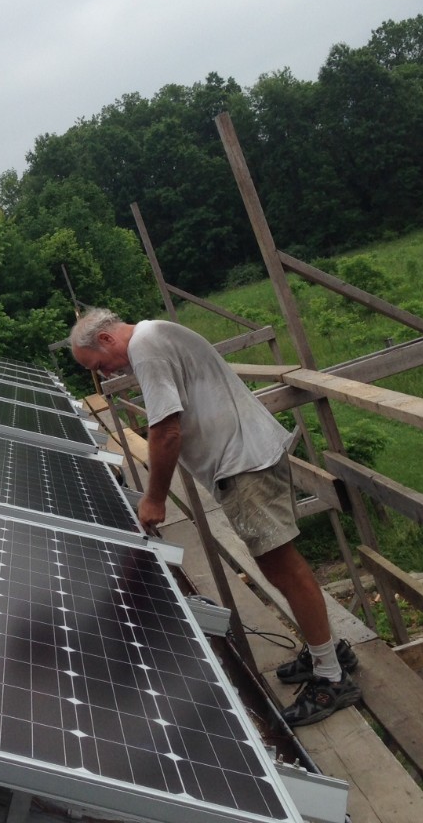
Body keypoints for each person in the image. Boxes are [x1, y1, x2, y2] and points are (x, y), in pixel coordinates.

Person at [69, 307, 360, 726]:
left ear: (107, 340)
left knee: (285, 568)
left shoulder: (146, 348)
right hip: (246, 456)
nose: (108, 376)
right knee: (279, 568)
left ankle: (332, 678)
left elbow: (166, 430)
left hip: (243, 464)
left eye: (101, 366)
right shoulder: (156, 336)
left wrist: (153, 499)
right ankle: (327, 651)